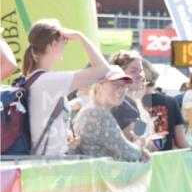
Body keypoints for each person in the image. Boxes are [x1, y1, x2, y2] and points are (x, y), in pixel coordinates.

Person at [20, 19, 111, 156]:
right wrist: (80, 37)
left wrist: (65, 137)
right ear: (53, 44)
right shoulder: (50, 81)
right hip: (49, 162)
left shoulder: (33, 79)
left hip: (41, 160)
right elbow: (102, 69)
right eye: (65, 41)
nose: (65, 46)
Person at [72, 66, 149, 162]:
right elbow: (129, 152)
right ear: (98, 87)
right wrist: (140, 145)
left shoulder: (93, 109)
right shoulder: (98, 113)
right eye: (115, 84)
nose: (121, 89)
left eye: (124, 85)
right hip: (97, 171)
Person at [109, 50, 155, 148]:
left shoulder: (132, 101)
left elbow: (138, 137)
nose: (140, 75)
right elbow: (134, 141)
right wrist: (150, 142)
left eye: (141, 71)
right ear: (119, 74)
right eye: (133, 71)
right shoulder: (123, 102)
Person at [143, 62, 190, 151]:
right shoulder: (170, 102)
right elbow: (181, 142)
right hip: (166, 157)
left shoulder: (132, 103)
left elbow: (136, 138)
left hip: (141, 156)